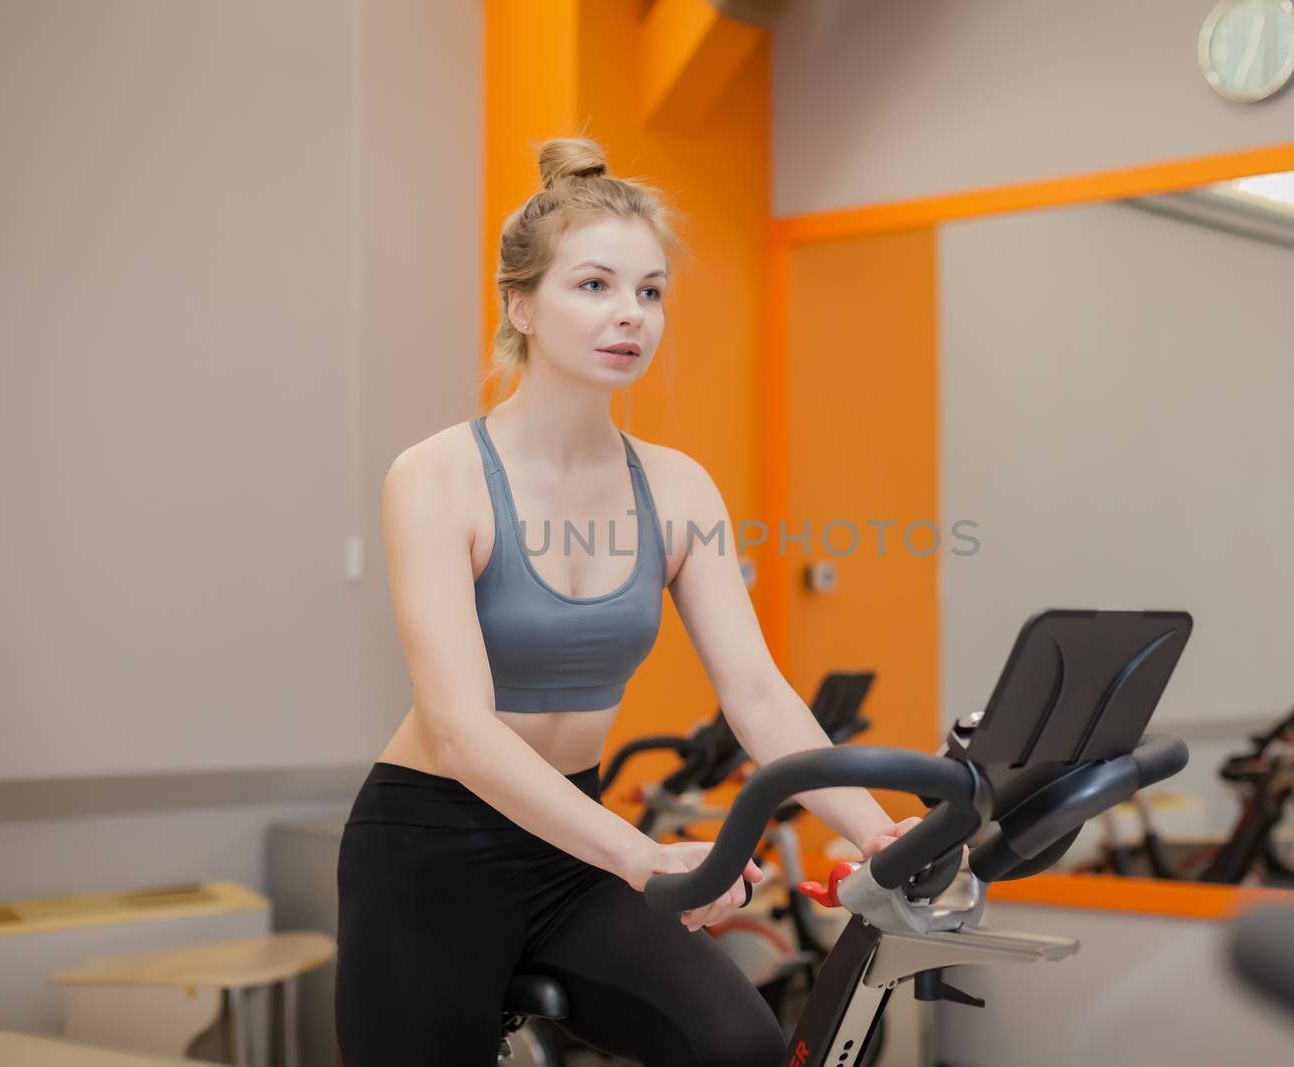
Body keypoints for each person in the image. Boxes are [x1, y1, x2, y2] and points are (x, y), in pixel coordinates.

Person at [334, 137, 919, 1067]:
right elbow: (457, 728)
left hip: (574, 847)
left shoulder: (680, 488)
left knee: (739, 1047)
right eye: (596, 285)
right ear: (520, 304)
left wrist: (878, 827)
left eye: (650, 292)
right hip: (432, 849)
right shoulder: (438, 477)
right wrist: (642, 855)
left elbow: (758, 692)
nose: (631, 316)